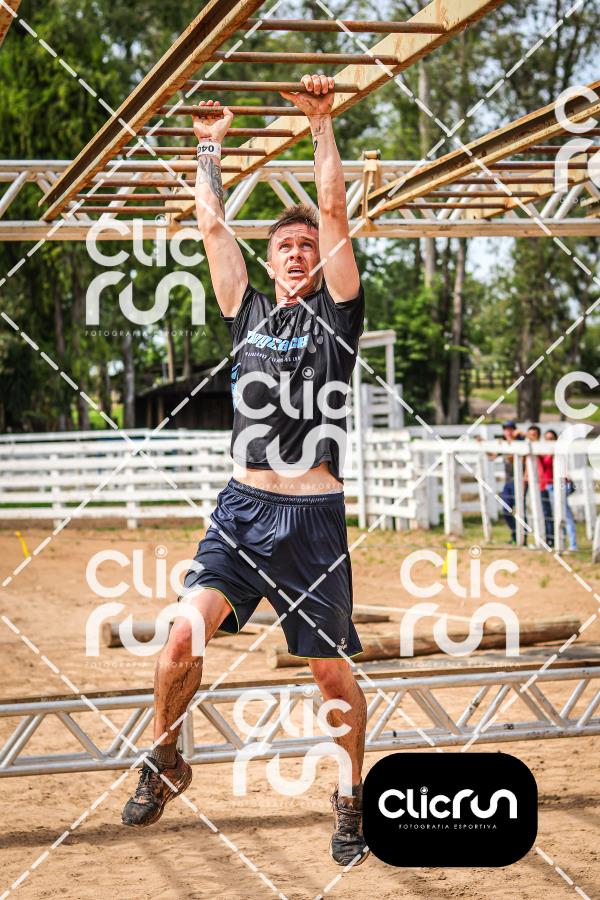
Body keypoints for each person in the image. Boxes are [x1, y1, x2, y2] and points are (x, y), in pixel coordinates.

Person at [122, 74, 369, 867]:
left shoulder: (337, 315)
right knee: (179, 639)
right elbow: (211, 224)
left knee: (328, 674)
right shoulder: (248, 311)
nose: (298, 253)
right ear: (268, 262)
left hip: (312, 522)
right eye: (285, 248)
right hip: (242, 510)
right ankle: (166, 757)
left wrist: (322, 123)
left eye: (307, 247)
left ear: (321, 260)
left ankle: (350, 797)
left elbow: (334, 210)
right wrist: (209, 146)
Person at [543, 429, 578, 551]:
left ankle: (573, 544)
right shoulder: (543, 452)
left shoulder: (559, 451)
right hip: (550, 486)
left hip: (560, 485)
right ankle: (563, 541)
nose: (549, 441)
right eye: (547, 439)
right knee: (558, 514)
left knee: (565, 514)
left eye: (551, 438)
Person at [496, 420, 525, 543]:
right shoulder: (502, 443)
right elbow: (492, 456)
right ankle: (515, 534)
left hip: (520, 480)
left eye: (510, 429)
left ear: (514, 430)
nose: (507, 431)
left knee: (521, 509)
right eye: (505, 429)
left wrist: (520, 434)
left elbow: (531, 441)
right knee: (506, 509)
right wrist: (481, 443)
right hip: (508, 481)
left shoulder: (520, 441)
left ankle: (522, 538)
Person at [525, 424, 553, 547]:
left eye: (534, 434)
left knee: (546, 513)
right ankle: (540, 539)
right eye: (530, 434)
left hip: (542, 484)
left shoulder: (541, 447)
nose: (531, 437)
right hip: (531, 484)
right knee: (533, 512)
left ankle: (550, 539)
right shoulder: (527, 446)